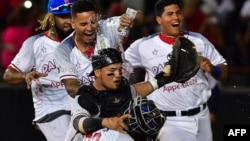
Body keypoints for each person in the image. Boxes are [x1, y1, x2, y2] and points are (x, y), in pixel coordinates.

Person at [124, 0, 228, 141]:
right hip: (169, 120)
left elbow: (224, 71)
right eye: (170, 14)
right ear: (159, 19)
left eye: (178, 13)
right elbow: (117, 66)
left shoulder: (198, 40)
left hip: (201, 117)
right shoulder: (143, 45)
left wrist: (213, 68)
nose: (176, 17)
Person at [3, 0, 75, 141]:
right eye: (63, 16)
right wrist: (26, 75)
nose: (69, 21)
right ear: (51, 17)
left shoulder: (80, 42)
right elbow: (8, 75)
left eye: (71, 16)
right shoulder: (35, 43)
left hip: (79, 108)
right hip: (51, 110)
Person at [65, 48, 170, 141]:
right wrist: (105, 122)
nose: (118, 75)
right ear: (97, 72)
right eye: (112, 71)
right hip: (85, 138)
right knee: (106, 133)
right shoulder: (86, 94)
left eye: (120, 70)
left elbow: (140, 89)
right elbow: (79, 123)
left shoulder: (122, 89)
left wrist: (166, 77)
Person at [54, 0, 143, 98]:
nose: (89, 28)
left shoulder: (107, 28)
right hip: (90, 106)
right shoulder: (63, 50)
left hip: (124, 96)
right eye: (83, 24)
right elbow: (71, 87)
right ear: (73, 24)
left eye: (93, 22)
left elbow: (140, 16)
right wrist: (101, 101)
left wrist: (129, 19)